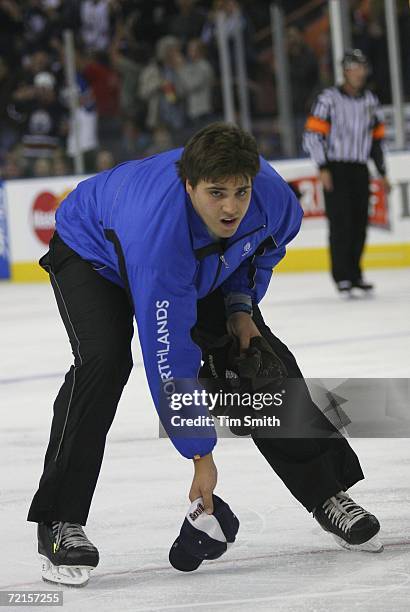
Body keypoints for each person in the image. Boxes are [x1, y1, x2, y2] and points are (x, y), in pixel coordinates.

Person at [28, 122, 381, 587]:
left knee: (255, 357)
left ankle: (327, 493)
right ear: (189, 185)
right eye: (217, 193)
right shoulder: (159, 238)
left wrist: (240, 308)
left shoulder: (274, 202)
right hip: (92, 251)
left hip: (183, 251)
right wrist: (200, 455)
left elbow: (257, 255)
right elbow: (169, 355)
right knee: (105, 361)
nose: (232, 206)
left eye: (241, 191)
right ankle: (58, 519)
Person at [303, 49, 391, 296]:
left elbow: (376, 140)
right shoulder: (328, 99)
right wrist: (322, 167)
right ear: (345, 71)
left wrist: (382, 172)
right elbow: (313, 135)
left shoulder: (370, 101)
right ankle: (342, 276)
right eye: (355, 67)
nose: (360, 72)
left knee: (359, 222)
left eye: (362, 67)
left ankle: (355, 273)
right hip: (336, 168)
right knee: (340, 223)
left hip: (359, 168)